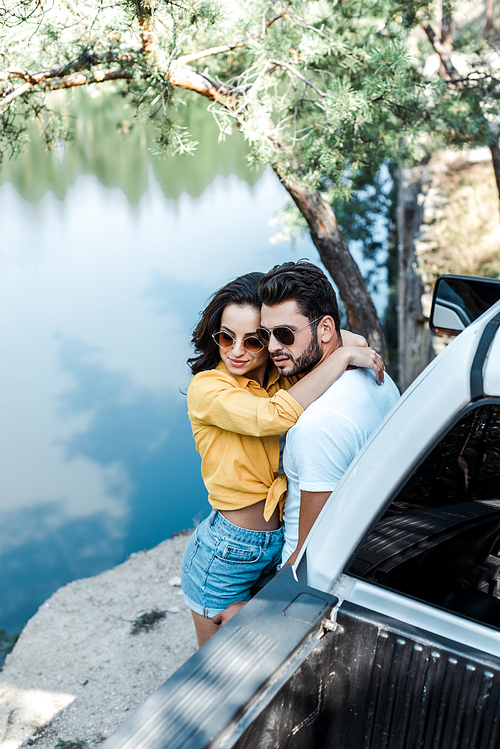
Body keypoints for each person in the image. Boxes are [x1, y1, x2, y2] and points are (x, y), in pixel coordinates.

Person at [181, 271, 385, 646]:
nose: (236, 351)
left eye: (255, 339)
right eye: (226, 337)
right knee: (213, 667)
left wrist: (340, 345)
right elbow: (270, 416)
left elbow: (334, 336)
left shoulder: (281, 379)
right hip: (226, 551)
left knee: (260, 653)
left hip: (273, 544)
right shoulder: (208, 388)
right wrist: (343, 358)